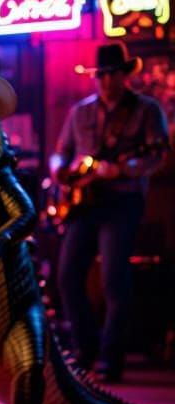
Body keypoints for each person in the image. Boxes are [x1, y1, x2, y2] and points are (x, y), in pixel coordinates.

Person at [50, 41, 169, 382]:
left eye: (111, 75)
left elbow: (157, 155)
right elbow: (61, 151)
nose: (104, 81)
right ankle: (85, 349)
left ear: (124, 75)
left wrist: (124, 169)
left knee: (114, 278)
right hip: (83, 204)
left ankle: (111, 357)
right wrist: (60, 170)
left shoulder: (146, 110)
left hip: (122, 201)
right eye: (100, 75)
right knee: (68, 276)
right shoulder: (80, 112)